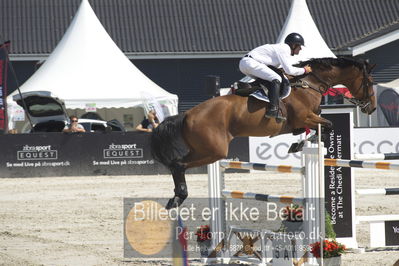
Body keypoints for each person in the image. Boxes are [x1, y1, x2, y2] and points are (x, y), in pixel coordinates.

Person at [239, 32, 312, 121]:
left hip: (246, 64)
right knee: (276, 79)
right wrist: (304, 70)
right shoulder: (285, 48)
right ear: (293, 45)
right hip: (251, 63)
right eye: (299, 46)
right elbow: (289, 70)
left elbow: (280, 69)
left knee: (268, 81)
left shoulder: (281, 49)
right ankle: (273, 109)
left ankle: (247, 87)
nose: (300, 49)